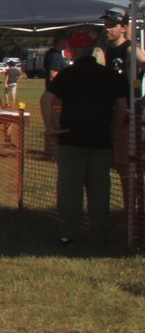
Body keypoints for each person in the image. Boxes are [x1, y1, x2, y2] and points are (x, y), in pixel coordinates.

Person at [41, 31, 127, 245]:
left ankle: (68, 235)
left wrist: (51, 127)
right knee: (100, 191)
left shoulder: (69, 74)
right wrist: (113, 132)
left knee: (70, 190)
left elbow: (46, 99)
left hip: (72, 141)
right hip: (101, 142)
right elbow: (122, 107)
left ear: (73, 51)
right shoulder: (111, 75)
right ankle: (99, 235)